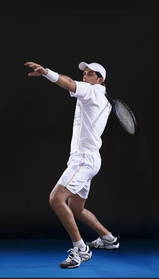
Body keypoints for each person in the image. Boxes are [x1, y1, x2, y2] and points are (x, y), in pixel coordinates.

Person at [24, 61, 119, 268]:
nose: (85, 75)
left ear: (100, 80)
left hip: (83, 160)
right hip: (92, 159)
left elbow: (68, 83)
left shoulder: (92, 92)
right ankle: (109, 239)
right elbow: (72, 81)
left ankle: (81, 249)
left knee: (57, 199)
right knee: (76, 207)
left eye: (90, 73)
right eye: (84, 73)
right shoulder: (104, 100)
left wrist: (46, 72)